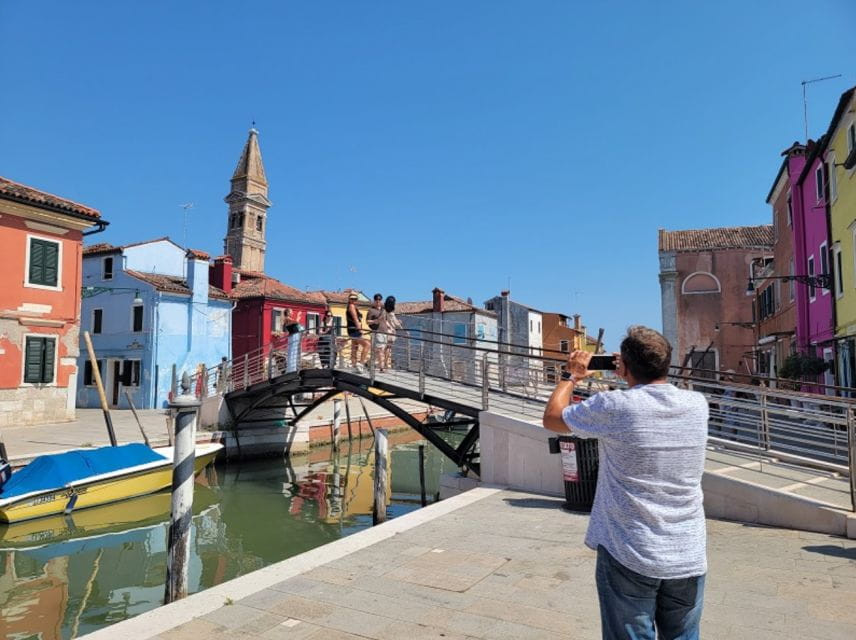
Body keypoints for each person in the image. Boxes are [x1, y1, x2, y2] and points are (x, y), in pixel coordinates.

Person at [543, 326, 708, 640]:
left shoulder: (614, 406)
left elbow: (552, 417)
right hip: (687, 551)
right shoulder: (697, 405)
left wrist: (572, 376)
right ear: (665, 363)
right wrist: (631, 375)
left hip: (629, 549)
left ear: (625, 365)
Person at [378, 295, 403, 371]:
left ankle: (382, 365)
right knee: (388, 348)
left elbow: (383, 319)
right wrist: (400, 324)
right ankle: (384, 364)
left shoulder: (384, 310)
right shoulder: (391, 312)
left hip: (386, 331)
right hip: (391, 332)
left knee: (383, 348)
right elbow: (395, 323)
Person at [346, 293, 369, 372]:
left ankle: (354, 365)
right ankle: (361, 364)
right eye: (352, 299)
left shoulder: (353, 307)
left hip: (352, 329)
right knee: (367, 344)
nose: (353, 300)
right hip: (354, 330)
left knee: (355, 347)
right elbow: (355, 319)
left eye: (355, 299)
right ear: (349, 299)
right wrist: (360, 330)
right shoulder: (351, 306)